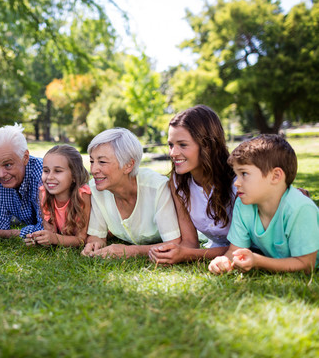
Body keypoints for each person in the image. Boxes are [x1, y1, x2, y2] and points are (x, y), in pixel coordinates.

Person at [209, 134, 319, 274]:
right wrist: (223, 261)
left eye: (244, 173)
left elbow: (306, 265)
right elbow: (234, 251)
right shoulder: (243, 204)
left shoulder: (300, 208)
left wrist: (259, 261)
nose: (236, 182)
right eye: (236, 174)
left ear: (275, 176)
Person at [81, 128, 195, 258]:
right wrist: (94, 244)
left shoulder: (157, 188)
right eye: (91, 161)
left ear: (129, 165)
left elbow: (173, 244)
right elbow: (97, 235)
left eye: (102, 162)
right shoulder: (96, 188)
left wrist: (130, 251)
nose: (94, 169)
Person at [149, 105, 236, 264]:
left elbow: (247, 246)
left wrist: (187, 255)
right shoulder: (178, 183)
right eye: (171, 145)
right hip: (216, 248)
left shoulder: (238, 181)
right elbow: (190, 243)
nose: (173, 153)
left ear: (207, 146)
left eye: (182, 145)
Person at [26, 144, 92, 247]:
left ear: (74, 175)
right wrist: (41, 238)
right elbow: (51, 232)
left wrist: (55, 239)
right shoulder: (43, 193)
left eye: (58, 171)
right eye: (46, 171)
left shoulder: (83, 196)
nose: (50, 177)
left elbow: (81, 239)